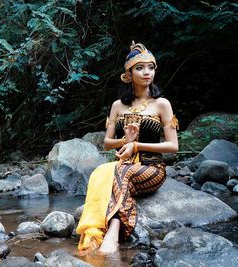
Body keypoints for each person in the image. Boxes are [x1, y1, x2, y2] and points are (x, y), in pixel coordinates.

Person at [75, 41, 179, 254]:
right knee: (101, 172)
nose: (146, 72)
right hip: (125, 163)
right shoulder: (117, 106)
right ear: (128, 74)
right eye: (139, 68)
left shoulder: (162, 104)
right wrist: (124, 142)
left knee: (121, 173)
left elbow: (173, 146)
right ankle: (100, 232)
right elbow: (107, 143)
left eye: (150, 67)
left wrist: (136, 144)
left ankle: (112, 235)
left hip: (152, 168)